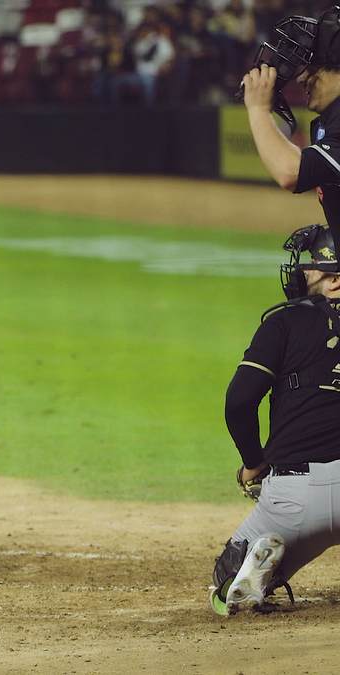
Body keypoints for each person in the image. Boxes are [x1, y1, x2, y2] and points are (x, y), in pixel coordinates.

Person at [210, 223, 340, 614]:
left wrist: (254, 464)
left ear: (333, 280)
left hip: (297, 497)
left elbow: (239, 401)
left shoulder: (283, 323)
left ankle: (254, 568)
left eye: (309, 267)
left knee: (225, 577)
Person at [242, 6, 340, 227]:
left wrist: (258, 109)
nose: (301, 78)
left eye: (312, 67)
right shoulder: (331, 118)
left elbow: (290, 173)